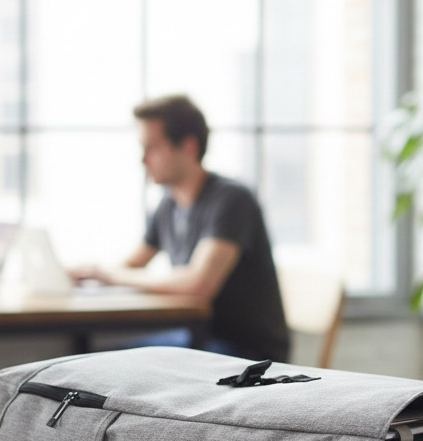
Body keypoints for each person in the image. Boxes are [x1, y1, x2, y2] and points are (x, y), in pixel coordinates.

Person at [72, 94, 290, 362]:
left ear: (188, 147)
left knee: (98, 364)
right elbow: (130, 265)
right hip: (199, 339)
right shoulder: (169, 204)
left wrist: (108, 275)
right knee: (89, 360)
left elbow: (197, 285)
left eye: (152, 148)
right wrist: (85, 273)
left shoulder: (232, 200)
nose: (143, 160)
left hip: (245, 354)